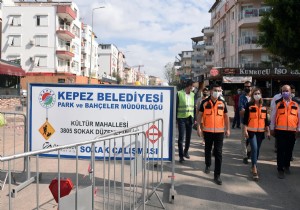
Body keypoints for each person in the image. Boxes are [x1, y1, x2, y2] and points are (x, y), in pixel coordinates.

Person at [197, 83, 230, 185]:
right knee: (207, 149)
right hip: (207, 131)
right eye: (216, 90)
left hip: (219, 132)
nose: (217, 92)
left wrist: (228, 129)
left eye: (219, 91)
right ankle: (207, 164)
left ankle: (217, 175)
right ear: (211, 91)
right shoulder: (204, 103)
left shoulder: (222, 103)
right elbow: (199, 116)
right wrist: (199, 128)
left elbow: (226, 117)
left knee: (218, 153)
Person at [270, 85, 300, 179]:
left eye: (287, 91)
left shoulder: (296, 103)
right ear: (281, 92)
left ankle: (287, 166)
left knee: (289, 150)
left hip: (292, 131)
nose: (285, 92)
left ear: (291, 91)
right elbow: (273, 116)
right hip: (280, 131)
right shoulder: (278, 102)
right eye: (283, 91)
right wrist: (272, 128)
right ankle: (280, 169)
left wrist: (299, 129)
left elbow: (299, 117)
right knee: (280, 150)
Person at [243, 88, 270, 181]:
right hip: (251, 131)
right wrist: (245, 131)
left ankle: (254, 164)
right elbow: (245, 120)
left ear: (261, 94)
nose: (257, 95)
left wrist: (268, 131)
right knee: (254, 148)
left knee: (257, 150)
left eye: (258, 93)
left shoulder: (264, 106)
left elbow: (266, 120)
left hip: (261, 132)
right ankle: (254, 168)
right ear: (252, 95)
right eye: (255, 93)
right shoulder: (249, 105)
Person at [176, 79, 196, 163]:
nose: (194, 87)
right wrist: (176, 119)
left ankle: (186, 151)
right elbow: (176, 106)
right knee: (181, 138)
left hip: (190, 118)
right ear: (189, 86)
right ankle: (181, 156)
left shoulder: (193, 95)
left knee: (188, 137)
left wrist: (194, 119)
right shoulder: (179, 93)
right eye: (193, 86)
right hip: (181, 118)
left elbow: (194, 107)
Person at [239, 81, 252, 164]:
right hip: (244, 121)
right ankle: (245, 156)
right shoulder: (242, 97)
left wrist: (246, 110)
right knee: (244, 139)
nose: (247, 88)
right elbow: (241, 110)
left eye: (248, 86)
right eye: (245, 86)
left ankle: (249, 151)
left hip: (254, 122)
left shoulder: (254, 97)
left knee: (252, 139)